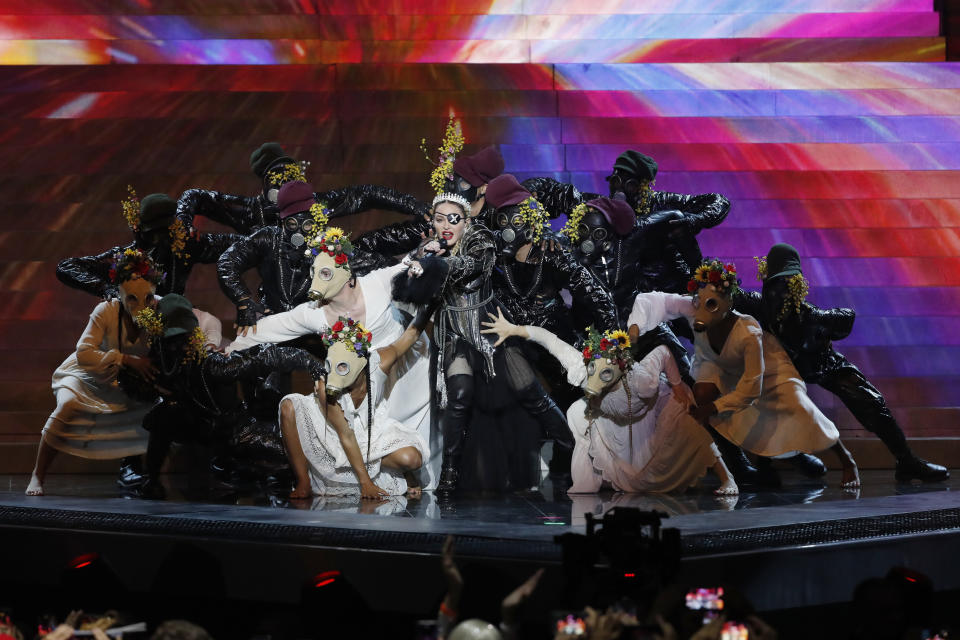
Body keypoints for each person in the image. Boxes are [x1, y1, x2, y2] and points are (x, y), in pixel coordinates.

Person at [225, 227, 436, 489]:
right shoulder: (314, 312)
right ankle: (362, 473)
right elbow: (271, 328)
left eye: (324, 273)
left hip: (401, 366)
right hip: (359, 384)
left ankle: (412, 475)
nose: (316, 281)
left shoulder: (376, 284)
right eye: (314, 273)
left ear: (345, 274)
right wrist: (229, 347)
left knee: (417, 434)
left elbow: (408, 269)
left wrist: (425, 255)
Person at [392, 193, 573, 494]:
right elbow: (407, 288)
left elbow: (468, 265)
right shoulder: (430, 248)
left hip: (491, 329)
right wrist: (419, 263)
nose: (447, 225)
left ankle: (571, 449)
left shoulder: (482, 240)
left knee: (530, 392)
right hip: (455, 334)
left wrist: (437, 264)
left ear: (466, 220)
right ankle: (449, 473)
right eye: (440, 219)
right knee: (459, 394)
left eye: (454, 219)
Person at [630, 260, 861, 488]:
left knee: (799, 408)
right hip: (720, 366)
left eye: (710, 305)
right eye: (698, 302)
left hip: (769, 369)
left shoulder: (748, 333)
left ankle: (845, 459)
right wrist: (635, 327)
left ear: (728, 303)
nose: (700, 310)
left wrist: (713, 408)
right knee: (702, 393)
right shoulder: (694, 308)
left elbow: (751, 388)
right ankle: (751, 459)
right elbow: (654, 300)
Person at [737, 243, 948, 482]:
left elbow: (845, 318)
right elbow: (724, 296)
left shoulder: (809, 315)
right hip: (780, 370)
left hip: (821, 362)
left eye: (788, 283)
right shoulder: (756, 305)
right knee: (769, 401)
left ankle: (907, 460)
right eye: (777, 284)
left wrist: (819, 320)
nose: (782, 291)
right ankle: (771, 464)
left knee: (869, 399)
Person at [26, 251, 220, 497]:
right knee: (67, 407)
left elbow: (206, 319)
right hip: (88, 374)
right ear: (121, 294)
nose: (142, 305)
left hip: (123, 381)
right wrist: (126, 359)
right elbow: (84, 352)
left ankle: (145, 473)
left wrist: (209, 345)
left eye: (148, 297)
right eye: (132, 298)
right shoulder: (106, 310)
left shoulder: (159, 307)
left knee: (158, 411)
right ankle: (37, 474)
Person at [481, 310, 737, 495]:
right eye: (594, 370)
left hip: (651, 410)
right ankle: (588, 481)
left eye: (604, 373)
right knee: (577, 413)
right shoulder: (584, 369)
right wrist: (514, 330)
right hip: (613, 421)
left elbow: (664, 352)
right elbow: (550, 340)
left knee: (688, 427)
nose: (594, 377)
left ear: (621, 368)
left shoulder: (642, 380)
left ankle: (728, 478)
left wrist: (678, 384)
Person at [137, 294, 326, 499]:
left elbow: (266, 357)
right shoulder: (163, 363)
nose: (175, 347)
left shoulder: (212, 364)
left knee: (292, 459)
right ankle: (155, 479)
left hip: (237, 433)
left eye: (179, 339)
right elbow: (145, 390)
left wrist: (311, 363)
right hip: (201, 430)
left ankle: (245, 470)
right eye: (170, 341)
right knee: (164, 413)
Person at [279, 313, 430, 499]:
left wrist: (432, 301)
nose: (337, 370)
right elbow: (345, 434)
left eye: (343, 366)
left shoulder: (379, 363)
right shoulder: (327, 386)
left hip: (369, 430)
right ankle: (304, 482)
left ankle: (382, 469)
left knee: (412, 459)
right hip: (332, 431)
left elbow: (411, 335)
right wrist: (366, 484)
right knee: (288, 405)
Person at [57, 192, 242, 299]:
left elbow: (240, 243)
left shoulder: (183, 246)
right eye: (154, 233)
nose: (159, 239)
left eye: (164, 232)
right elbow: (67, 267)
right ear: (138, 228)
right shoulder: (122, 257)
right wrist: (107, 290)